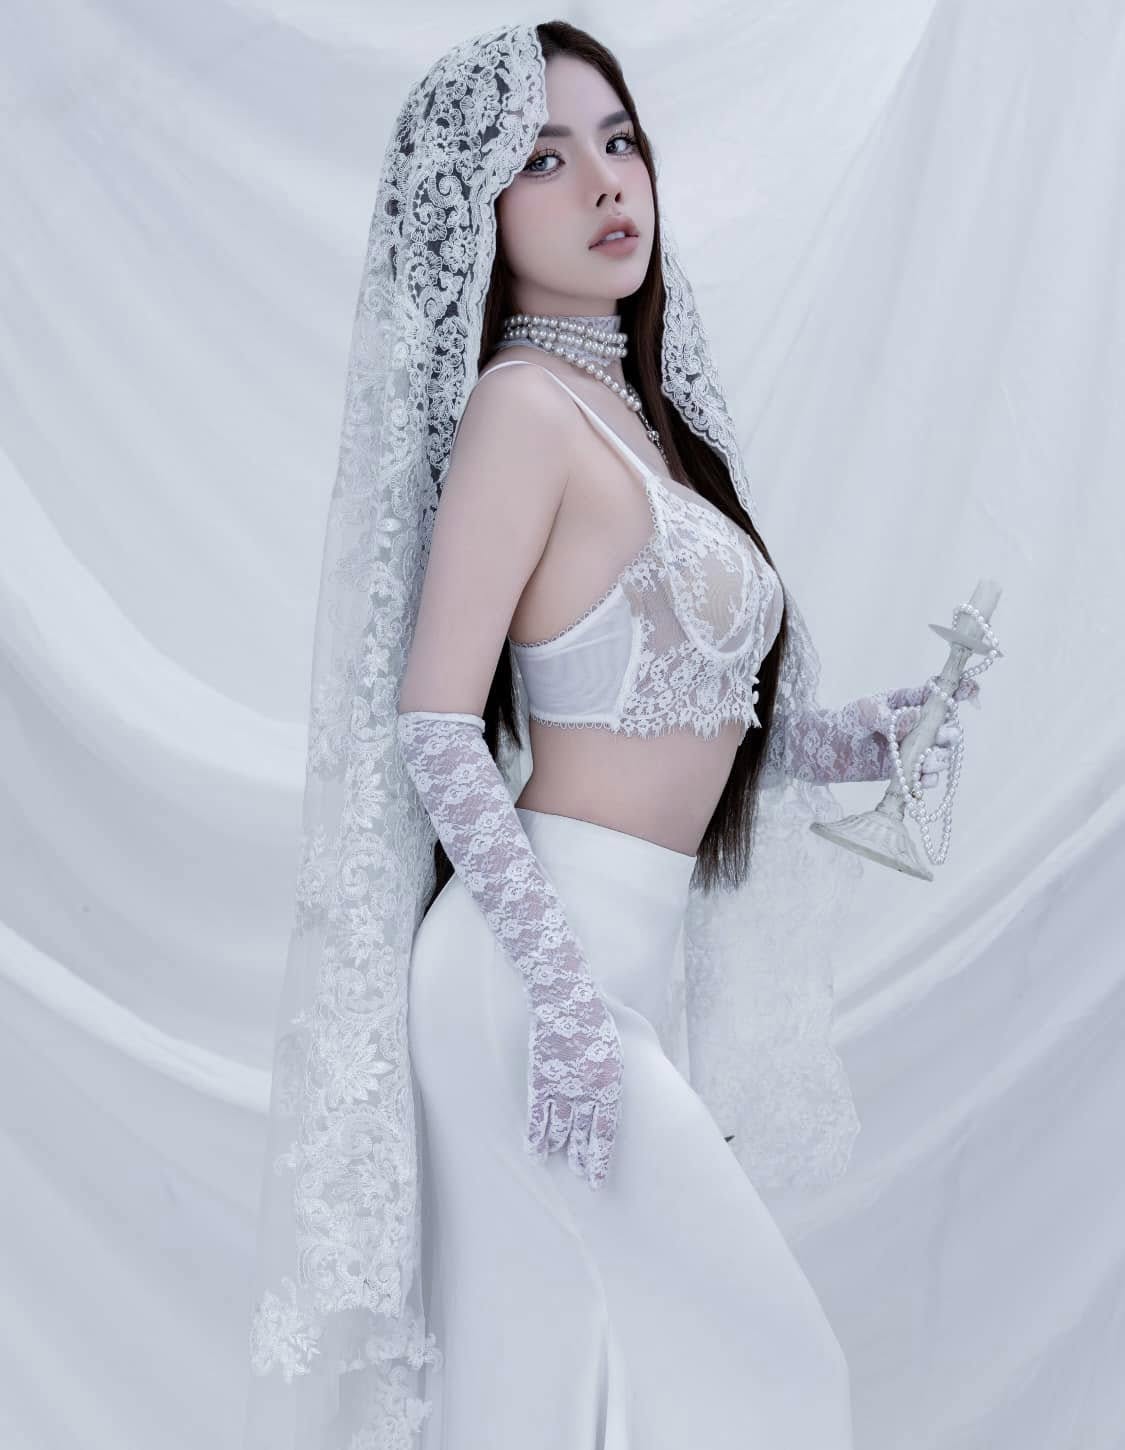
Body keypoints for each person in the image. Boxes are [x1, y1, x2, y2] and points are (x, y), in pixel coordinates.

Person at [244, 20, 979, 1450]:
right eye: (543, 157)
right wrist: (565, 1002)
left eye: (619, 139)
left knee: (588, 1399)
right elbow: (436, 725)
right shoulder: (520, 411)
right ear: (477, 210)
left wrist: (856, 741)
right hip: (531, 973)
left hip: (611, 966)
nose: (603, 179)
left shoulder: (644, 426)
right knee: (775, 1373)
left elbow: (680, 710)